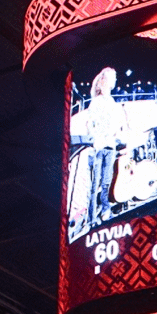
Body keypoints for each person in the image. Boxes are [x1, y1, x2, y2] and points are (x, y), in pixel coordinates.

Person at [68, 67, 126, 230]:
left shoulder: (113, 103)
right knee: (95, 184)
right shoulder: (96, 102)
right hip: (99, 146)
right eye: (112, 78)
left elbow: (117, 124)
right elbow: (92, 124)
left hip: (110, 146)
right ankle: (92, 218)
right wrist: (98, 137)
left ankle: (105, 210)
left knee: (106, 182)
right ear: (104, 81)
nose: (114, 81)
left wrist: (116, 136)